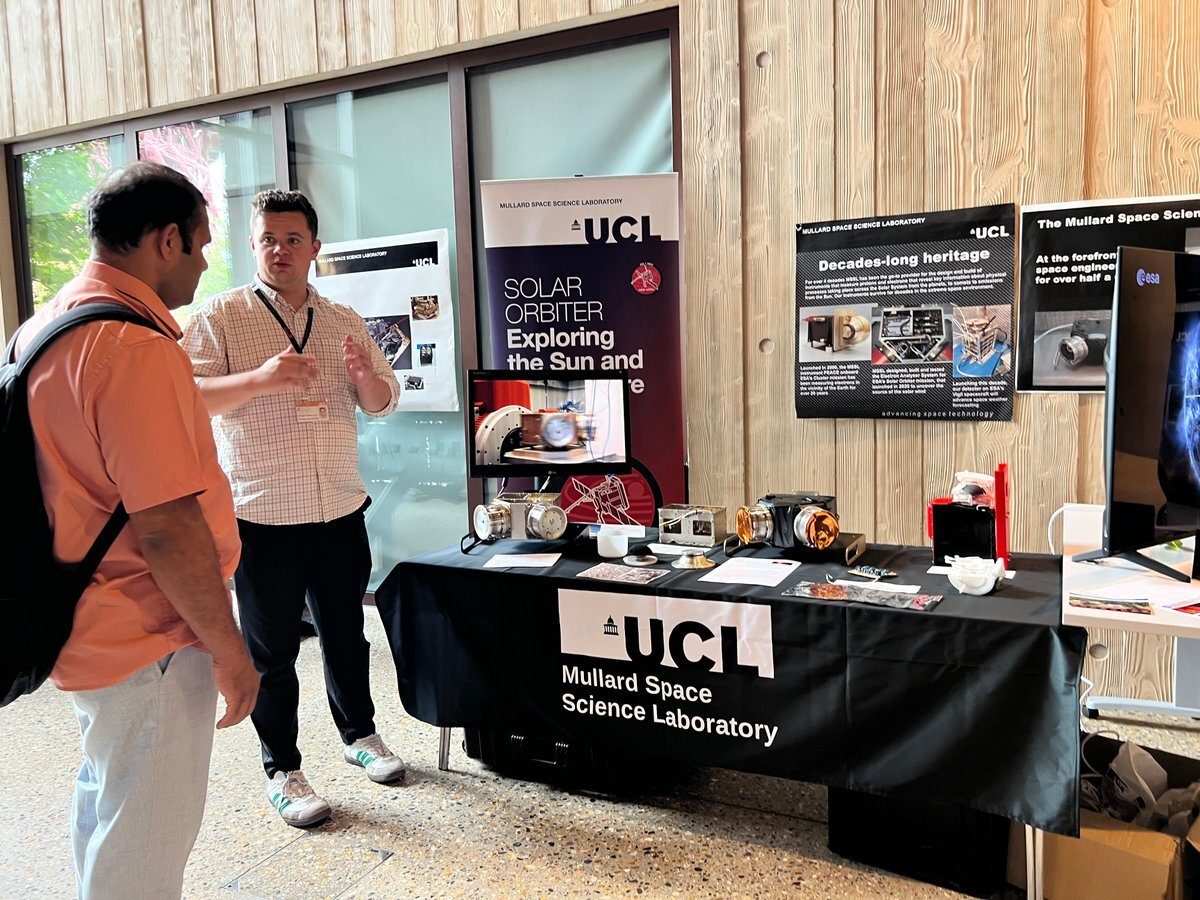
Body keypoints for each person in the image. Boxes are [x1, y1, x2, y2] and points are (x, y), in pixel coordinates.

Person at [17, 161, 259, 899]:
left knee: (108, 797)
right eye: (201, 244)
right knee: (146, 836)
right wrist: (229, 649)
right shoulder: (132, 349)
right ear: (166, 240)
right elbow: (167, 527)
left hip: (77, 613)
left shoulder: (49, 324)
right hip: (148, 631)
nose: (205, 262)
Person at [181, 189, 404, 829]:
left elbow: (383, 402)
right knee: (271, 651)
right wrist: (260, 379)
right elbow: (187, 396)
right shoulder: (219, 316)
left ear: (314, 248)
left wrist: (365, 379)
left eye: (293, 239)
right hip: (260, 515)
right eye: (268, 239)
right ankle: (282, 769)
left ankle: (360, 735)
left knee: (346, 634)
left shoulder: (342, 318)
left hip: (338, 507)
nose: (280, 250)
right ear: (253, 245)